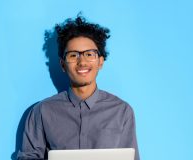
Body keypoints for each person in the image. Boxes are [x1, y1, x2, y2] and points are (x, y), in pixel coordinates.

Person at [17, 15, 140, 160]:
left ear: (100, 62)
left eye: (89, 54)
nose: (82, 62)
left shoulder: (121, 111)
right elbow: (28, 157)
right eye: (73, 55)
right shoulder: (42, 111)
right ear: (63, 64)